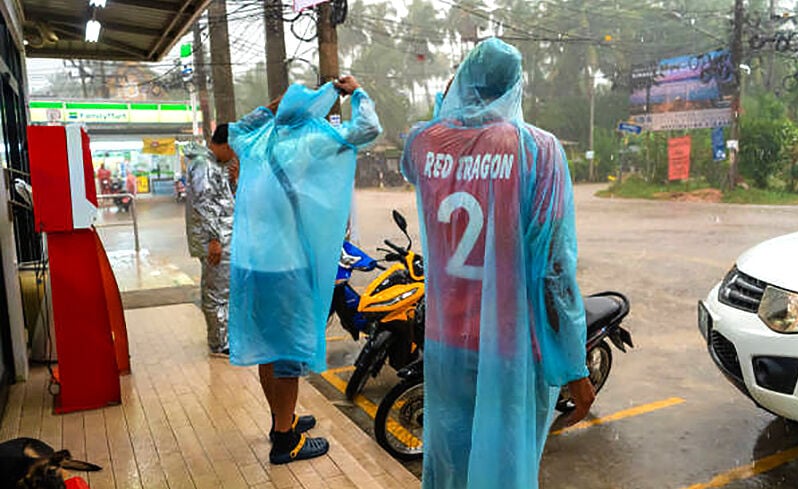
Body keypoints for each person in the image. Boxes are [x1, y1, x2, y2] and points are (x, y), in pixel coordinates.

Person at [400, 39, 595, 488]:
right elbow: (555, 270)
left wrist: (450, 99)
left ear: (462, 82)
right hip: (509, 350)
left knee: (452, 463)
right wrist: (572, 366)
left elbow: (422, 141)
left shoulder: (426, 144)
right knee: (501, 472)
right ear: (515, 87)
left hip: (447, 343)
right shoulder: (538, 150)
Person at [228, 76, 381, 465]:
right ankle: (285, 439)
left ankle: (283, 418)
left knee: (267, 346)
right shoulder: (312, 140)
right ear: (310, 112)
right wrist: (356, 91)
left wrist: (269, 107)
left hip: (252, 265)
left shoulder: (257, 141)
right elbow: (367, 129)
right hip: (287, 267)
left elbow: (232, 131)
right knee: (288, 354)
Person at [183, 124, 235, 357]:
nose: (233, 156)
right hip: (216, 241)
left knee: (222, 290)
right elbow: (204, 205)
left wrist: (234, 181)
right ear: (225, 145)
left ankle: (223, 337)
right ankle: (219, 343)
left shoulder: (214, 164)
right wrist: (214, 239)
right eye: (232, 150)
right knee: (216, 293)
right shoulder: (203, 165)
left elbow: (221, 200)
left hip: (222, 237)